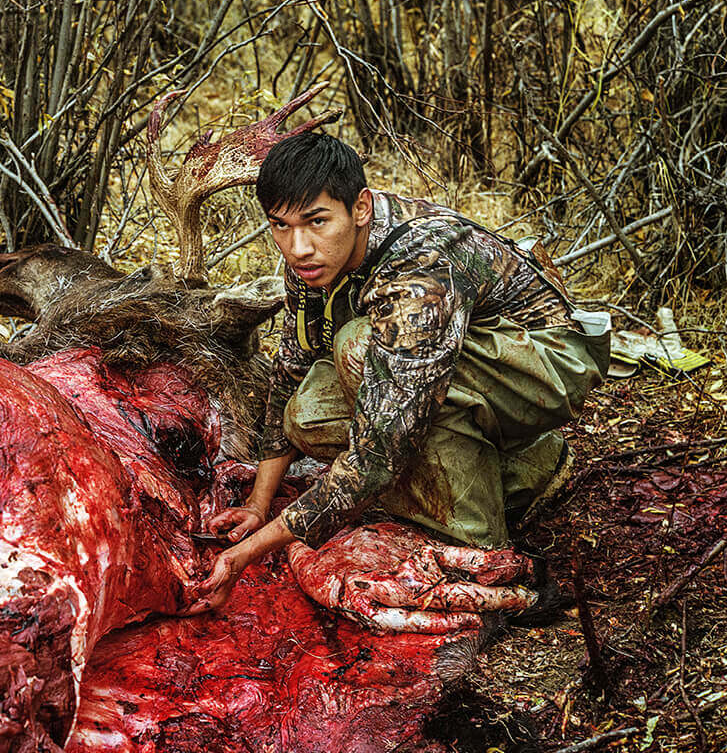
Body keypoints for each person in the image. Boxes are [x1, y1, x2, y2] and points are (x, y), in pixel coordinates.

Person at [188, 132, 611, 614]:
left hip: (548, 364)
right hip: (464, 360)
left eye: (317, 222)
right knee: (305, 414)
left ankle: (477, 536)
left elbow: (378, 453)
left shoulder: (419, 268)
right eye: (280, 226)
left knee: (358, 348)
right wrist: (260, 505)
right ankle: (512, 472)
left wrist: (247, 553)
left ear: (360, 208)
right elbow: (290, 368)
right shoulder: (312, 257)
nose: (298, 246)